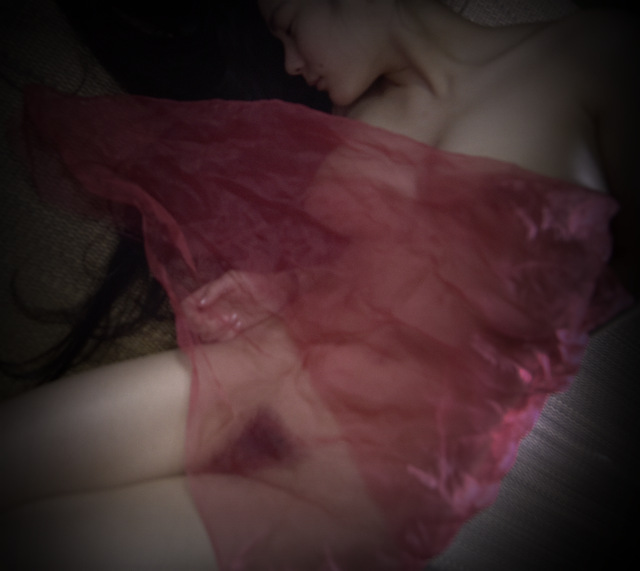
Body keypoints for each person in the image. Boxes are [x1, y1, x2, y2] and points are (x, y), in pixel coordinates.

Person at [1, 0, 637, 569]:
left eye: (287, 27)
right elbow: (381, 273)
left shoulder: (592, 57)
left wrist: (536, 331)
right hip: (253, 376)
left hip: (342, 494)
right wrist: (281, 288)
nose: (291, 62)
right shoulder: (357, 120)